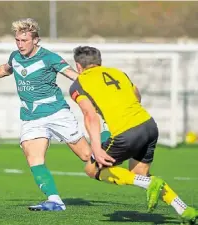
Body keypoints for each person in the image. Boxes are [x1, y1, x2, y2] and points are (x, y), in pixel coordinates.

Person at [69, 46, 198, 224]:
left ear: (78, 66)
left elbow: (89, 116)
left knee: (92, 169)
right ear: (99, 61)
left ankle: (148, 184)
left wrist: (96, 148)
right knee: (139, 173)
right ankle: (184, 210)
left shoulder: (79, 83)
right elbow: (136, 96)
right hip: (149, 125)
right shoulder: (118, 73)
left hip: (126, 132)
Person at [0, 18, 93, 211]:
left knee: (87, 156)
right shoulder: (15, 56)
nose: (20, 45)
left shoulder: (50, 58)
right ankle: (54, 200)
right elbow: (5, 69)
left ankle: (126, 166)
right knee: (33, 157)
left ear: (36, 40)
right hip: (31, 117)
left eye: (24, 40)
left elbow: (73, 75)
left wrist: (97, 87)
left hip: (57, 113)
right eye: (17, 40)